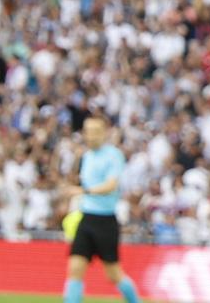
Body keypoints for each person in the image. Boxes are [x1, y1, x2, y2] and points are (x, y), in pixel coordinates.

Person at [63, 115, 141, 303]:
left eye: (95, 132)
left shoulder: (114, 155)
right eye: (87, 131)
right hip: (86, 218)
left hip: (105, 221)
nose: (90, 136)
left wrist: (83, 191)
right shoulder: (86, 156)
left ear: (104, 133)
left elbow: (111, 185)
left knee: (114, 273)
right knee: (75, 269)